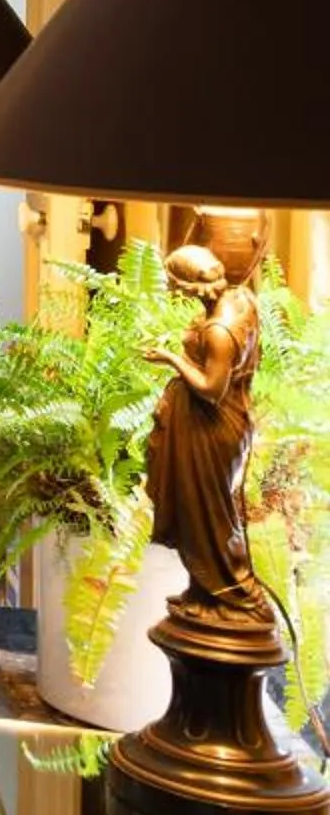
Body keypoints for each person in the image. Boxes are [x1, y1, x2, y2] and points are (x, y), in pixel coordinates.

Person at [146, 244, 268, 628]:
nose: (174, 292)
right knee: (199, 514)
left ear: (191, 286)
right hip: (216, 425)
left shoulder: (219, 331)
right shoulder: (240, 299)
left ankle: (236, 596)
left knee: (209, 518)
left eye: (175, 286)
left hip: (212, 431)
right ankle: (204, 593)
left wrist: (171, 359)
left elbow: (212, 390)